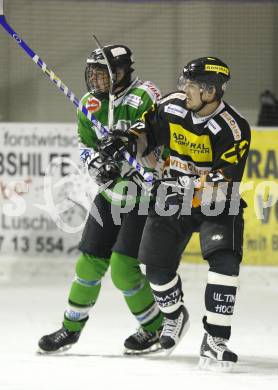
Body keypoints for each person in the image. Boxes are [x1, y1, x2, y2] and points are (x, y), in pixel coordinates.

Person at [101, 57, 251, 370]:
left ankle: (215, 339)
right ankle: (174, 316)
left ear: (210, 91)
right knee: (153, 267)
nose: (184, 91)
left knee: (225, 261)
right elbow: (146, 131)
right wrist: (125, 140)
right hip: (172, 196)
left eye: (191, 87)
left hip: (215, 201)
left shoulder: (234, 128)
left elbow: (226, 179)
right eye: (184, 84)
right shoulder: (172, 106)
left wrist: (189, 182)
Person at [38, 44, 164, 354]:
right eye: (91, 73)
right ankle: (70, 328)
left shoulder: (147, 95)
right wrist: (97, 165)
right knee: (88, 263)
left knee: (123, 269)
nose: (95, 80)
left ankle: (154, 328)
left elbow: (160, 136)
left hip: (144, 193)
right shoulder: (88, 103)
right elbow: (84, 144)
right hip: (111, 193)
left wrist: (130, 140)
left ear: (121, 73)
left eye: (102, 73)